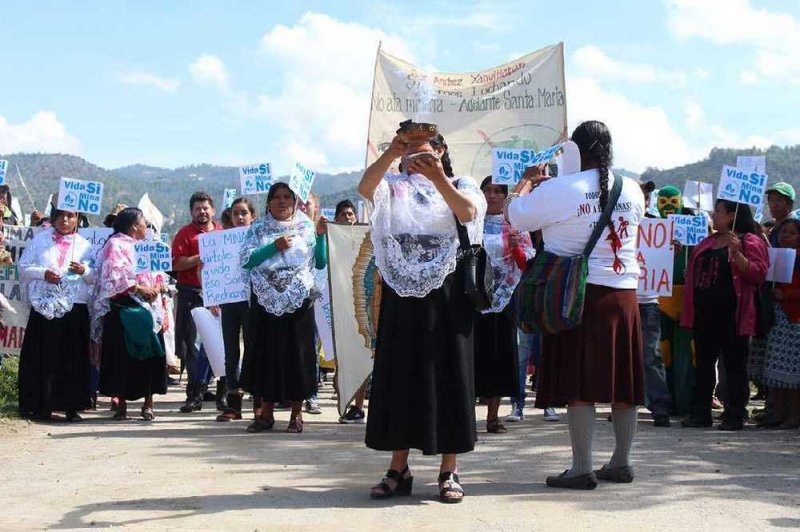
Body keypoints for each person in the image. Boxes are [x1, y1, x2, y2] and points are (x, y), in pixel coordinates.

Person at [506, 120, 645, 489]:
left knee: (579, 381)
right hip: (624, 295)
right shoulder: (632, 188)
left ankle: (582, 467)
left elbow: (514, 216)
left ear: (576, 151)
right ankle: (622, 461)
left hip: (577, 294)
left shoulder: (561, 188)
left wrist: (524, 183)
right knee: (624, 382)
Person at [358, 125, 486, 503]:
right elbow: (365, 189)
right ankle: (398, 468)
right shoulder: (392, 184)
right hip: (401, 289)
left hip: (449, 291)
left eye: (422, 145)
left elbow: (467, 211)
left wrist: (438, 177)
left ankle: (449, 469)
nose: (414, 152)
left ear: (440, 149)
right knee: (401, 373)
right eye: (408, 146)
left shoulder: (462, 182)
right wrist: (390, 154)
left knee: (450, 374)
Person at [239, 183, 327, 434]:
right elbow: (247, 260)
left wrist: (321, 237)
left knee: (297, 355)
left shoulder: (306, 227)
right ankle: (265, 414)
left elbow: (320, 263)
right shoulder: (258, 228)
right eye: (276, 197)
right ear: (268, 203)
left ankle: (296, 415)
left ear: (294, 202)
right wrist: (273, 246)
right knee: (266, 354)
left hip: (298, 299)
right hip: (264, 299)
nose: (281, 201)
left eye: (287, 197)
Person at [681, 200, 768, 431]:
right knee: (703, 365)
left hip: (733, 315)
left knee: (734, 365)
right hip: (704, 314)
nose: (713, 214)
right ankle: (700, 413)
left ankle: (735, 414)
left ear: (731, 215)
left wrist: (737, 253)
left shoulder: (750, 241)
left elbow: (758, 274)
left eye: (718, 211)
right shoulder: (708, 241)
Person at [18, 207, 94, 421]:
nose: (65, 220)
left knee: (72, 358)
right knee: (44, 356)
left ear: (78, 219)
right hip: (45, 307)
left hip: (74, 305)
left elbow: (95, 276)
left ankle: (71, 407)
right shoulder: (40, 240)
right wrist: (43, 273)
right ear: (53, 218)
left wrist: (84, 271)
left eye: (70, 216)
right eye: (60, 216)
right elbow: (23, 267)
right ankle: (41, 406)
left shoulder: (85, 245)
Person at [93, 208, 168, 421]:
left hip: (149, 308)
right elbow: (113, 276)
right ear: (134, 225)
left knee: (150, 356)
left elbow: (159, 272)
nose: (146, 225)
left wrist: (157, 286)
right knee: (122, 358)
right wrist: (139, 288)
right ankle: (122, 405)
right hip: (125, 307)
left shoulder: (147, 245)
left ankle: (148, 403)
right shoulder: (115, 244)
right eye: (143, 221)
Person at [474, 176, 533, 433]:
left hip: (503, 300)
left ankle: (493, 417)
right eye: (487, 190)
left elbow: (526, 262)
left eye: (498, 191)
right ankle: (464, 417)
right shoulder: (469, 221)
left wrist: (515, 248)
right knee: (471, 357)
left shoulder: (516, 225)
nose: (492, 195)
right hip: (472, 300)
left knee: (499, 357)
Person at [171, 192, 221, 413]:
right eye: (197, 209)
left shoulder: (222, 233)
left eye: (205, 208)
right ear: (191, 212)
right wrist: (199, 258)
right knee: (193, 345)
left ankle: (208, 387)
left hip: (218, 295)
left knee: (216, 344)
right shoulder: (184, 233)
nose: (202, 212)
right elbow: (175, 264)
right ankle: (193, 391)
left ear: (213, 210)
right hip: (191, 293)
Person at [216, 197, 255, 422]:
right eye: (235, 214)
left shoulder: (259, 238)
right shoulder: (220, 241)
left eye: (244, 213)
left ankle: (258, 402)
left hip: (252, 302)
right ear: (230, 217)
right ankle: (233, 405)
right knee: (231, 352)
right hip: (229, 301)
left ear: (252, 216)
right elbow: (209, 273)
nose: (239, 217)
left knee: (253, 350)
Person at [637, 181, 673, 427]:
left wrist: (671, 250)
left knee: (652, 355)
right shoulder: (616, 223)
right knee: (624, 357)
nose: (645, 200)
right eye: (641, 195)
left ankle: (660, 408)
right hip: (624, 298)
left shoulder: (658, 227)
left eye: (648, 196)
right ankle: (624, 404)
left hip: (648, 302)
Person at [759, 218, 800, 429]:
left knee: (793, 372)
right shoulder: (774, 256)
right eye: (783, 232)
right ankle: (778, 413)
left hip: (795, 320)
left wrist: (786, 295)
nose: (786, 236)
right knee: (775, 369)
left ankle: (794, 415)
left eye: (792, 233)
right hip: (777, 319)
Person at [334, 198, 369, 424]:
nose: (347, 218)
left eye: (350, 214)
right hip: (339, 307)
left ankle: (358, 407)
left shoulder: (366, 240)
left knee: (361, 357)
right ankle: (345, 403)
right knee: (342, 360)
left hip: (360, 307)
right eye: (343, 214)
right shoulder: (332, 242)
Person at [298, 192, 324, 416]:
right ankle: (290, 394)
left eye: (306, 203)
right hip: (292, 297)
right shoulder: (289, 232)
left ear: (316, 208)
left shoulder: (320, 231)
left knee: (311, 350)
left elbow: (321, 262)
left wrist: (321, 237)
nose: (301, 207)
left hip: (316, 298)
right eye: (298, 203)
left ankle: (311, 396)